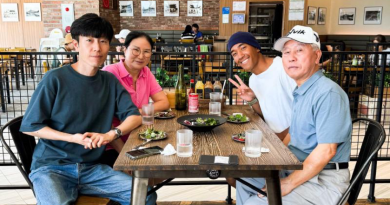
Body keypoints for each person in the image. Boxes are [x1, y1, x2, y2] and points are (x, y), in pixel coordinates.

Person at [19, 13, 157, 205]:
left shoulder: (109, 81)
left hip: (92, 168)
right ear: (76, 45)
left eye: (102, 41)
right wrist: (72, 138)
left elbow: (134, 116)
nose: (96, 48)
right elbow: (30, 126)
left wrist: (111, 134)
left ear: (109, 46)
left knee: (145, 194)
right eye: (89, 40)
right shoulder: (55, 79)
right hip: (51, 167)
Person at [236, 25, 352, 205]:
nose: (291, 57)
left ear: (317, 56)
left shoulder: (328, 93)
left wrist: (288, 183)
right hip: (296, 167)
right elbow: (293, 132)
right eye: (287, 52)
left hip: (324, 180)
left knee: (254, 203)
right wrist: (275, 158)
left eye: (299, 50)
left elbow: (327, 151)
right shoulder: (301, 90)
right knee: (244, 181)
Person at [227, 32, 297, 187]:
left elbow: (304, 117)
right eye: (234, 53)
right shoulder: (253, 80)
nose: (239, 55)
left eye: (243, 47)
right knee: (230, 174)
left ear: (256, 47)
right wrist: (252, 100)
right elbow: (265, 116)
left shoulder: (283, 67)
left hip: (293, 145)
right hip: (272, 140)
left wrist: (278, 148)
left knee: (236, 177)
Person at [100, 31, 169, 167]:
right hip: (113, 144)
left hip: (140, 137)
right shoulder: (110, 72)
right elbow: (104, 121)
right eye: (136, 50)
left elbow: (164, 102)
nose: (141, 56)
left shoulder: (146, 72)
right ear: (124, 50)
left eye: (146, 51)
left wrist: (136, 112)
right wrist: (124, 155)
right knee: (140, 178)